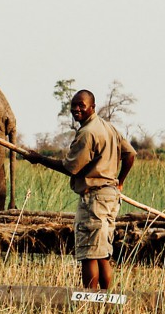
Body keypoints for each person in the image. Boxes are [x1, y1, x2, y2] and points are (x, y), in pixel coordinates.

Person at [22, 90, 135, 291]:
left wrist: (39, 159)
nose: (76, 109)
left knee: (89, 253)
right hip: (110, 197)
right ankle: (106, 301)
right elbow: (130, 154)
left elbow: (69, 167)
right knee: (102, 253)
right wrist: (119, 182)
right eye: (73, 105)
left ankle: (89, 301)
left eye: (81, 105)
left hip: (94, 198)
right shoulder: (109, 128)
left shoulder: (87, 132)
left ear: (93, 107)